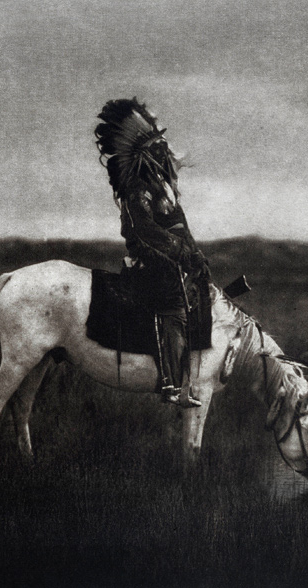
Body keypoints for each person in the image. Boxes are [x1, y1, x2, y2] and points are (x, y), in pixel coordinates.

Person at [95, 98, 209, 408]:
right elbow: (141, 231)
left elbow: (178, 225)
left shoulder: (162, 185)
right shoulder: (137, 188)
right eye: (157, 143)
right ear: (146, 151)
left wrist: (193, 253)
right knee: (173, 306)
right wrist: (179, 252)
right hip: (150, 261)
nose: (164, 148)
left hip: (171, 259)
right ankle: (171, 383)